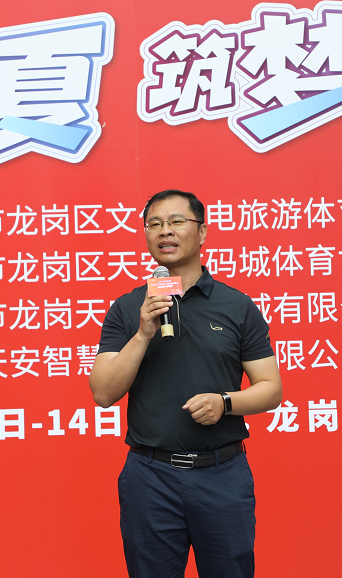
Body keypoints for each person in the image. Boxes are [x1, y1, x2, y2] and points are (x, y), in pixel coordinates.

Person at [89, 189, 283, 578]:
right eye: (154, 224)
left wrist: (225, 403)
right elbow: (103, 393)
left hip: (221, 474)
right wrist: (143, 332)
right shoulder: (128, 309)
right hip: (150, 477)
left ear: (202, 232)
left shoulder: (236, 305)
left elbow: (270, 388)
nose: (165, 231)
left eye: (177, 222)